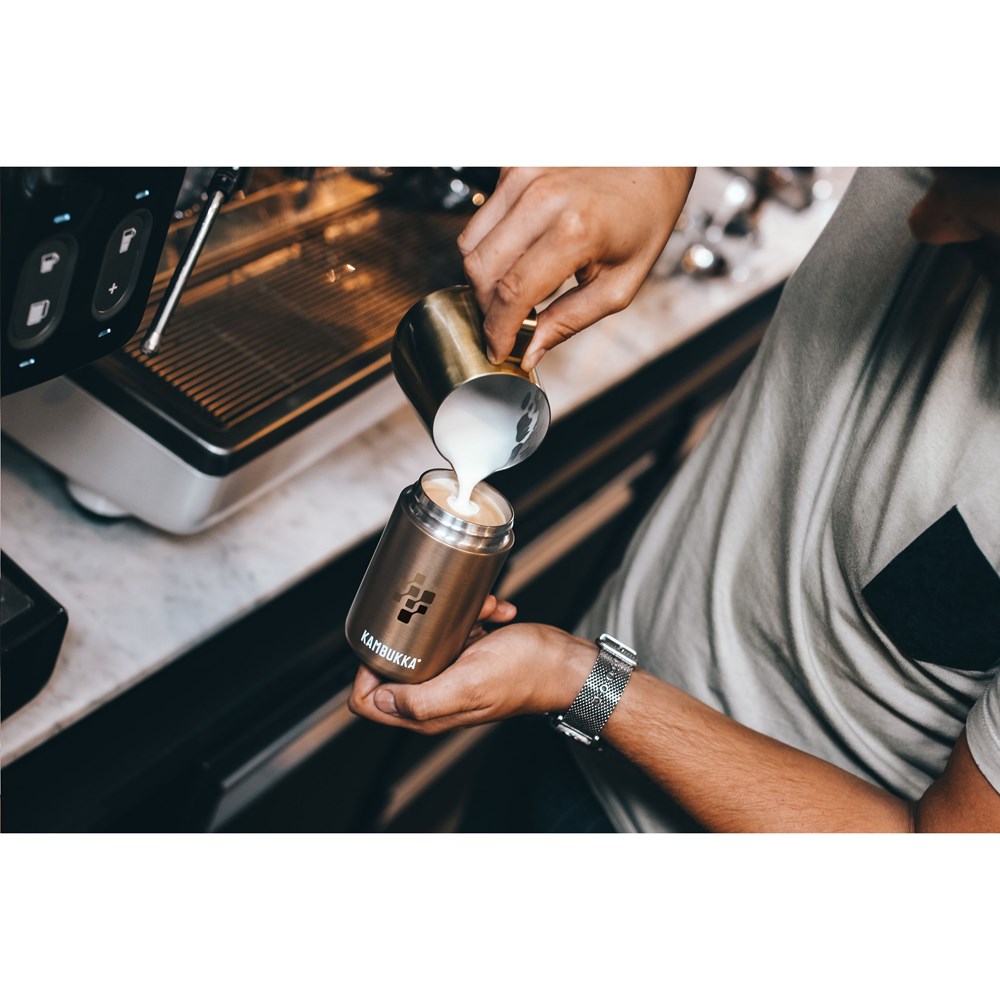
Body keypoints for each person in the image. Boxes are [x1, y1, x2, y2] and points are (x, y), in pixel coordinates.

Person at [349, 167, 1000, 833]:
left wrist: (573, 679)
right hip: (574, 701)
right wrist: (654, 171)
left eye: (986, 225)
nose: (923, 221)